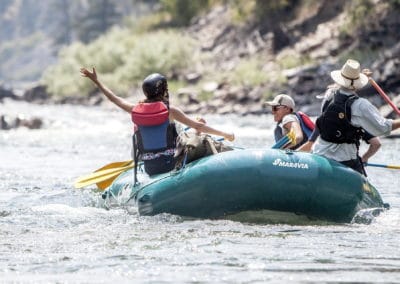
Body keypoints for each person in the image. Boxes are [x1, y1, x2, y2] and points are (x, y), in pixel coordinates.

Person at [80, 67, 234, 176]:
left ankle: (194, 135)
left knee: (188, 132)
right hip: (171, 164)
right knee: (200, 136)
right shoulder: (170, 111)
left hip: (150, 168)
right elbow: (198, 125)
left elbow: (114, 98)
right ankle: (209, 144)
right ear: (163, 91)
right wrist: (225, 134)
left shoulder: (135, 109)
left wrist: (97, 81)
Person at [308, 59, 400, 174]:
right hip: (344, 161)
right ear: (358, 84)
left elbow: (339, 87)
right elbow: (384, 128)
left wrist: (359, 77)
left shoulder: (329, 94)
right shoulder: (360, 105)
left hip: (319, 154)